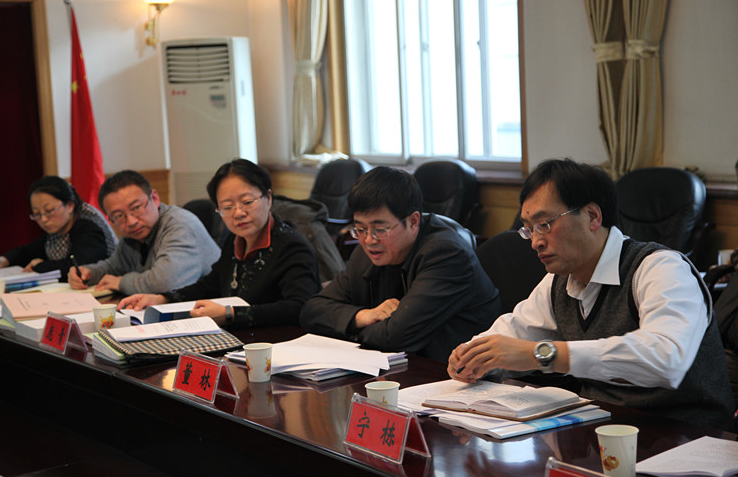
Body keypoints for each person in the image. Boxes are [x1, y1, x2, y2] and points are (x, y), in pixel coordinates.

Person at [447, 158, 734, 429]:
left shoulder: (661, 268)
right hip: (601, 429)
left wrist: (542, 354)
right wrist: (472, 356)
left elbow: (665, 359)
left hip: (685, 436)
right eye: (529, 229)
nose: (535, 242)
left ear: (592, 216)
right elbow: (515, 329)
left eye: (544, 225)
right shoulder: (559, 280)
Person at [299, 166, 502, 361]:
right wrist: (362, 316)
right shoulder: (366, 252)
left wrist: (348, 329)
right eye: (360, 229)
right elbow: (311, 311)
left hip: (453, 373)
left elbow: (394, 338)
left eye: (380, 229)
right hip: (396, 368)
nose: (369, 240)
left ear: (413, 221)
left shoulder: (446, 254)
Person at [117, 159, 320, 329]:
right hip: (238, 339)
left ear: (268, 198)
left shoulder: (291, 246)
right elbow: (211, 285)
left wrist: (230, 314)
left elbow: (299, 307)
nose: (238, 213)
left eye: (247, 202)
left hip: (275, 346)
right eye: (227, 207)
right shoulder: (235, 239)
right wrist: (162, 299)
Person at [68, 170, 220, 295]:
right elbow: (115, 266)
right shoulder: (135, 234)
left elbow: (166, 282)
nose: (131, 221)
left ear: (154, 198)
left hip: (211, 311)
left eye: (136, 208)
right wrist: (89, 273)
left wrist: (121, 282)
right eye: (119, 216)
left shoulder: (179, 224)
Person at [0, 176, 117, 282]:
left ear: (70, 206)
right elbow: (31, 250)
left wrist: (40, 266)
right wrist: (4, 260)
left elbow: (78, 265)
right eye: (37, 214)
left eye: (49, 211)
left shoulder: (88, 224)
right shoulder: (61, 225)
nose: (44, 219)